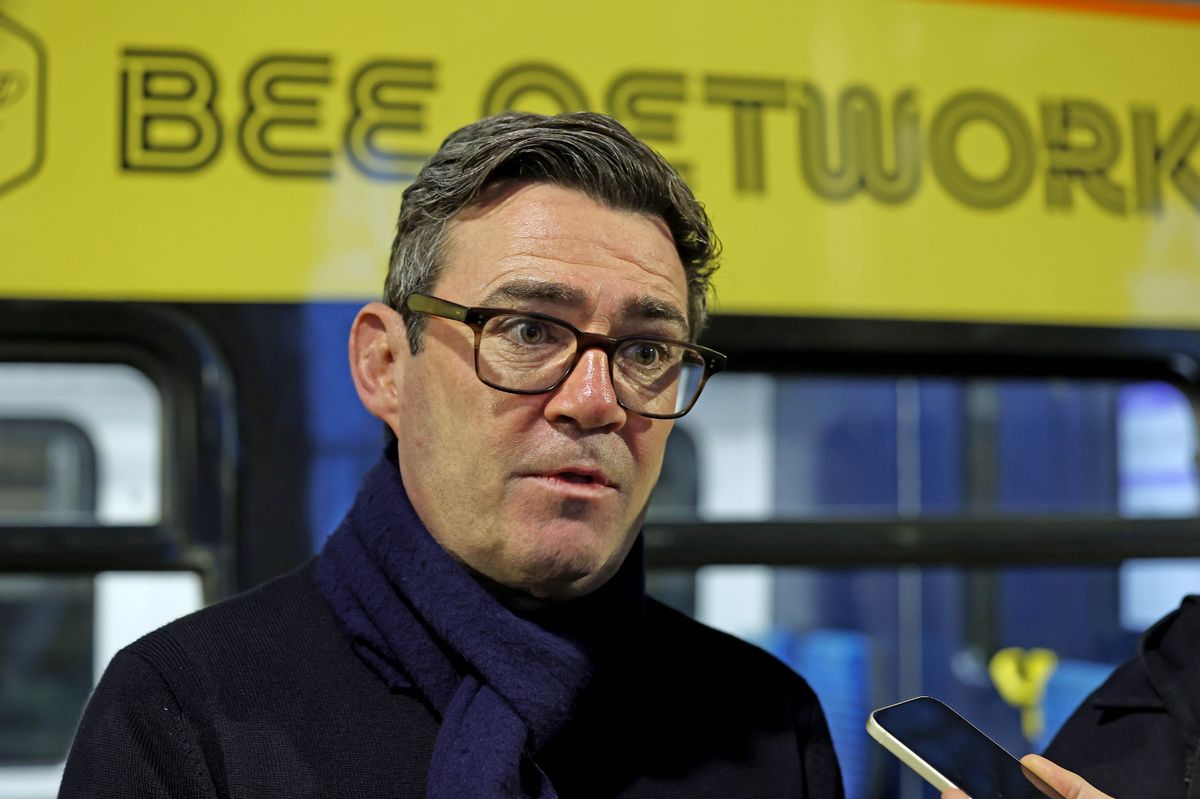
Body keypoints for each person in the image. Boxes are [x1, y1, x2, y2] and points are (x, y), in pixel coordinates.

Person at [59, 112, 845, 798]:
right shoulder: (186, 714)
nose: (595, 399)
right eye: (528, 330)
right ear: (385, 367)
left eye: (646, 351)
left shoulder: (767, 729)